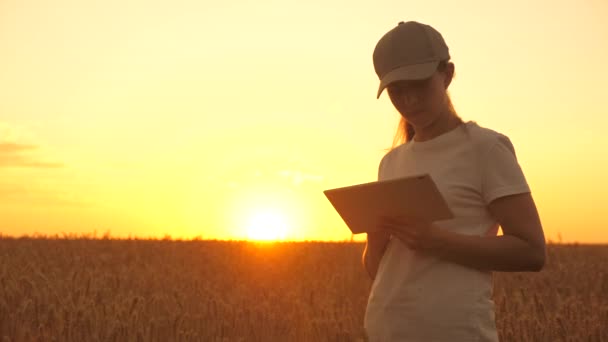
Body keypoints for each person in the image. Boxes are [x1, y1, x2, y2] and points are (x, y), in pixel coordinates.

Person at [362, 21, 546, 341]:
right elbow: (380, 270)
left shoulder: (485, 148)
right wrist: (375, 241)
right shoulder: (390, 162)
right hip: (384, 331)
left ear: (447, 75)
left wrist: (436, 241)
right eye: (397, 90)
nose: (409, 100)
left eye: (419, 85)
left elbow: (531, 251)